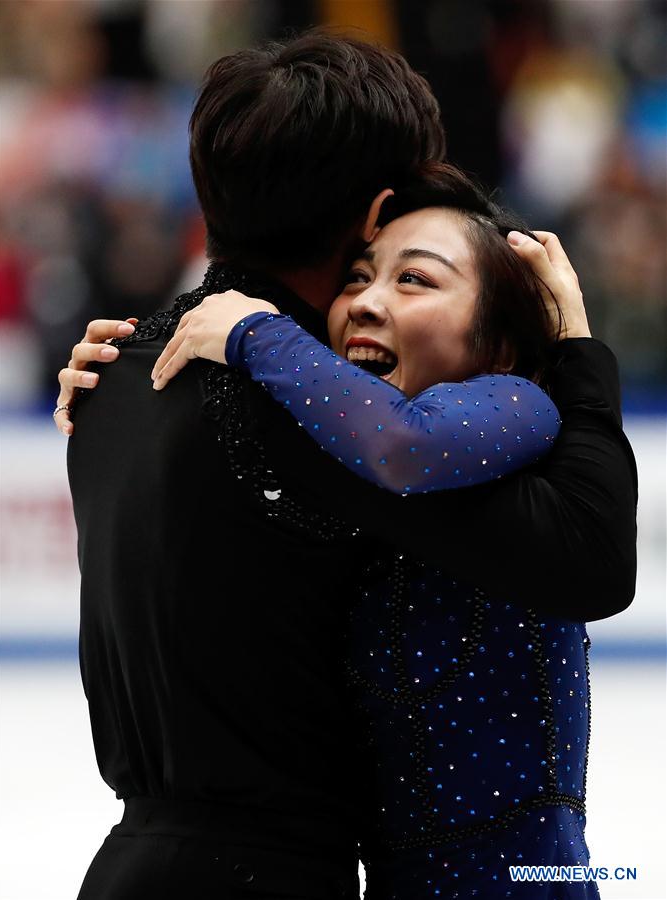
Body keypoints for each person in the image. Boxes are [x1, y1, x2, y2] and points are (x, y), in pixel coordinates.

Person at [57, 31, 637, 900]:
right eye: (374, 269)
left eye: (416, 280)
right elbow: (589, 561)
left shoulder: (113, 375)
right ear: (373, 211)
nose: (371, 303)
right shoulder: (317, 411)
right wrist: (581, 358)